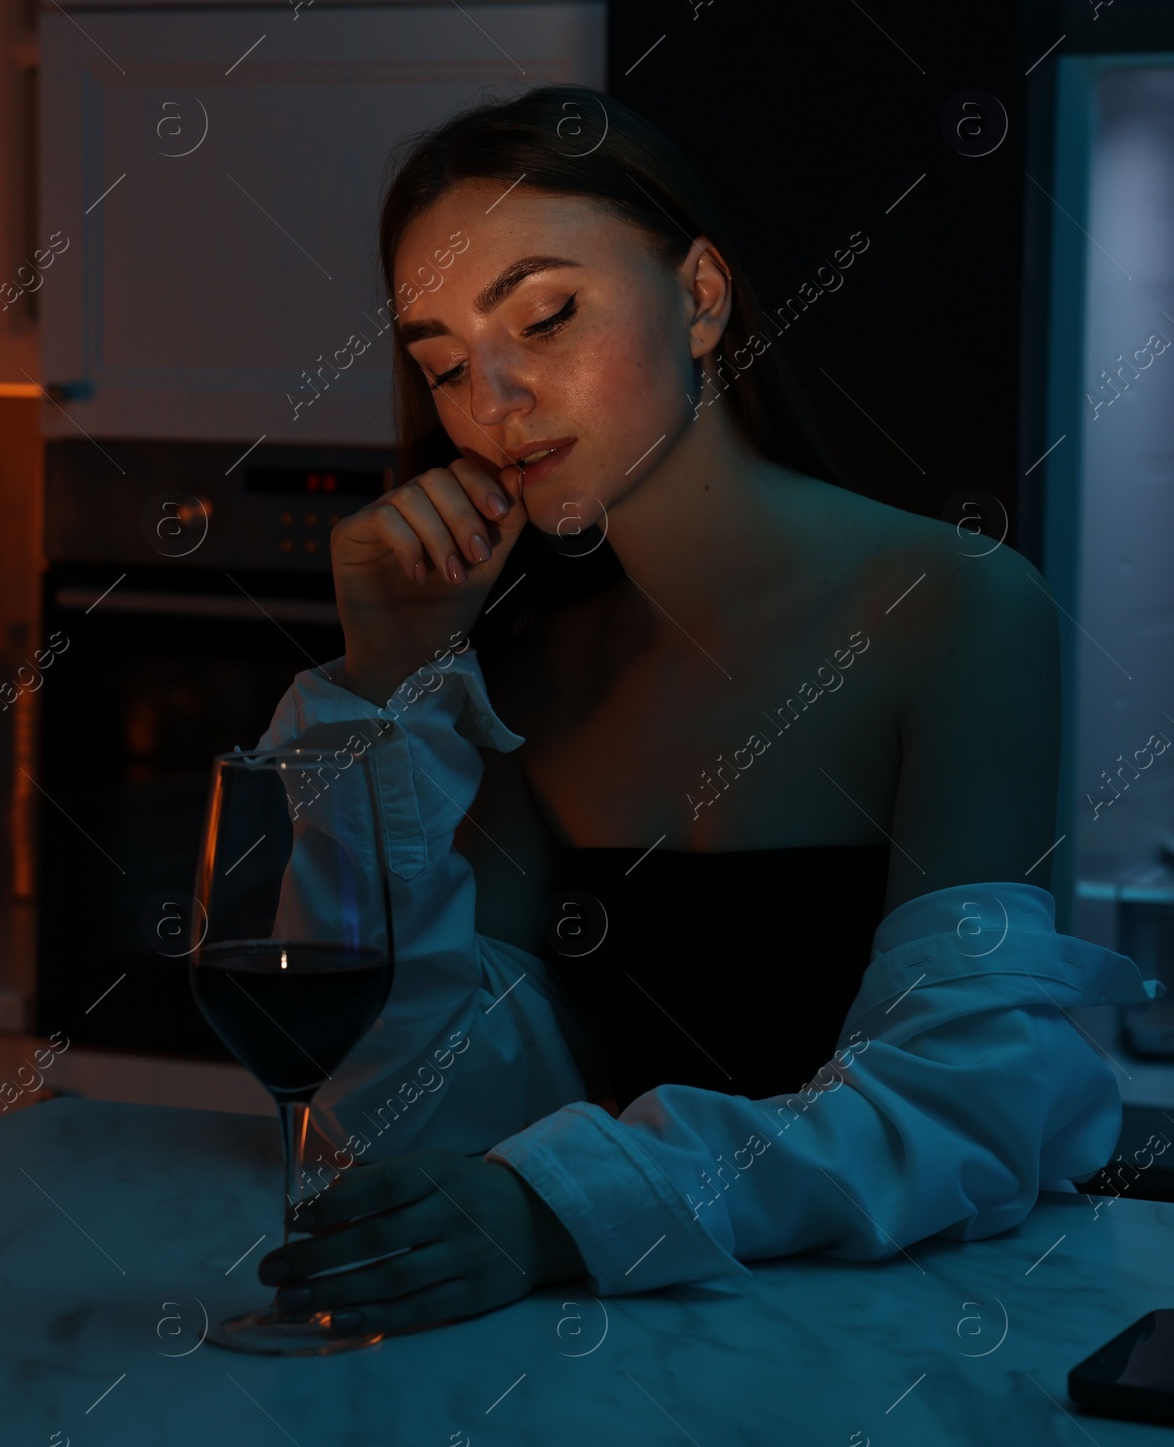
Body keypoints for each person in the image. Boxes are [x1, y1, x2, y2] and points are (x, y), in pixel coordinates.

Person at [250, 85, 1157, 1337]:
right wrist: (385, 686)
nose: (492, 397)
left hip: (922, 1339)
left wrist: (555, 1209)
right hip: (618, 1355)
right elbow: (403, 1116)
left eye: (545, 315)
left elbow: (966, 1100)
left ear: (701, 295)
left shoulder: (950, 607)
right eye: (447, 365)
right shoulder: (522, 674)